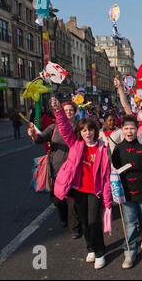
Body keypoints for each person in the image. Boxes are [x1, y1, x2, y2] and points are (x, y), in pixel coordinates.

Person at [50, 97, 112, 270]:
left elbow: (106, 177)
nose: (87, 133)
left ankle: (100, 252)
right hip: (78, 190)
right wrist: (58, 111)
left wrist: (107, 200)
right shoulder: (75, 144)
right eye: (84, 130)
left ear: (95, 131)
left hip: (94, 191)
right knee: (84, 221)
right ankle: (90, 248)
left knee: (94, 221)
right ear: (80, 132)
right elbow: (63, 128)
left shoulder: (102, 148)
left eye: (90, 130)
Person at [28, 101, 81, 239]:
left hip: (74, 170)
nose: (69, 112)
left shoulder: (79, 127)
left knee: (73, 200)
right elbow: (40, 139)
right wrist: (33, 135)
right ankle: (62, 215)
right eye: (66, 110)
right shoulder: (53, 128)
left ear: (75, 112)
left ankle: (74, 227)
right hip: (56, 170)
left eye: (71, 110)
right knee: (58, 200)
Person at [112, 115, 142, 269]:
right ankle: (129, 251)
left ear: (137, 129)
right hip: (126, 192)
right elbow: (115, 168)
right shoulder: (118, 149)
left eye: (132, 128)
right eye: (126, 128)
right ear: (122, 130)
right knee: (129, 223)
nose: (129, 131)